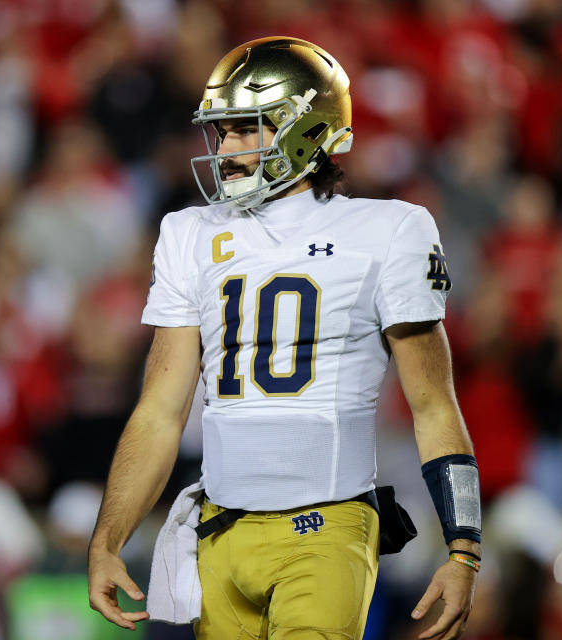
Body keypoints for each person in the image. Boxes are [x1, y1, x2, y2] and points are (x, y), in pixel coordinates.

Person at [88, 36, 482, 640]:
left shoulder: (388, 229)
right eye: (220, 133)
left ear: (305, 128)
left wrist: (463, 549)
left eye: (246, 130)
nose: (226, 149)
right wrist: (108, 537)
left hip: (324, 528)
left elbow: (433, 403)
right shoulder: (189, 232)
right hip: (219, 531)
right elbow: (160, 411)